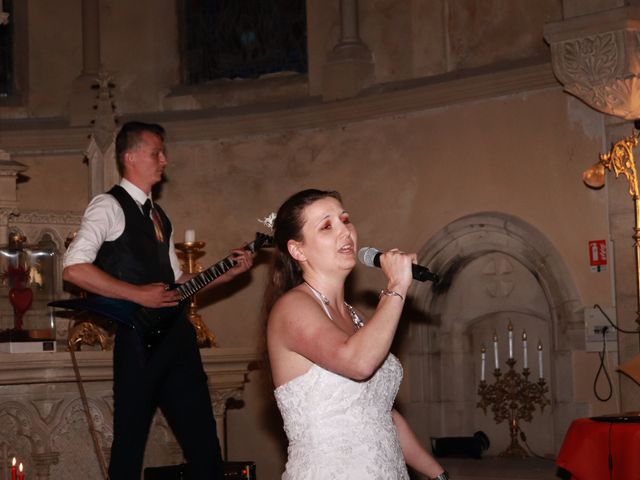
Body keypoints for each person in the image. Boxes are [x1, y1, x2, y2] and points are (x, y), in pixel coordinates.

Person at [63, 121, 253, 480]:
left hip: (178, 341)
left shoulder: (159, 215)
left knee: (205, 447)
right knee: (129, 448)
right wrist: (137, 294)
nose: (164, 160)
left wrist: (225, 272)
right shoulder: (107, 206)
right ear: (130, 157)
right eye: (156, 153)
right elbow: (73, 269)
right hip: (138, 343)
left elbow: (175, 284)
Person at [264, 189, 449, 480]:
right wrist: (397, 286)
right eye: (327, 226)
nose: (345, 232)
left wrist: (438, 475)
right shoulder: (292, 309)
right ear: (298, 250)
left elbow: (381, 415)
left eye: (345, 220)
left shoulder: (356, 318)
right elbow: (358, 363)